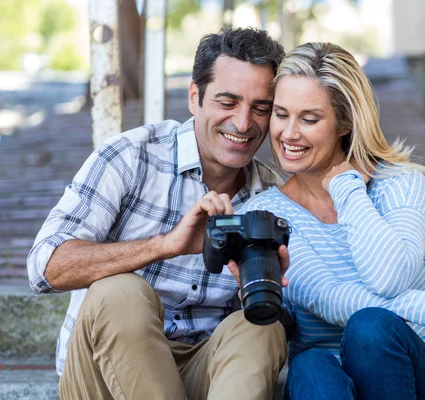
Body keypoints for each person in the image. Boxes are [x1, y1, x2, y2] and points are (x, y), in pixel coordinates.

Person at [232, 42, 425, 400]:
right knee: (311, 366)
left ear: (345, 122)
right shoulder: (263, 216)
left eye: (309, 119)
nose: (289, 133)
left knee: (371, 329)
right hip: (331, 385)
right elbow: (332, 299)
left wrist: (346, 189)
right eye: (280, 114)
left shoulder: (399, 184)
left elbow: (390, 276)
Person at [27, 28, 290, 400]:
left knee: (263, 326)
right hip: (105, 372)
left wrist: (281, 285)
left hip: (207, 369)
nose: (244, 123)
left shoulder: (273, 197)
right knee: (120, 292)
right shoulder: (132, 156)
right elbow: (44, 268)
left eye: (260, 108)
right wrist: (167, 245)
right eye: (227, 102)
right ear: (194, 97)